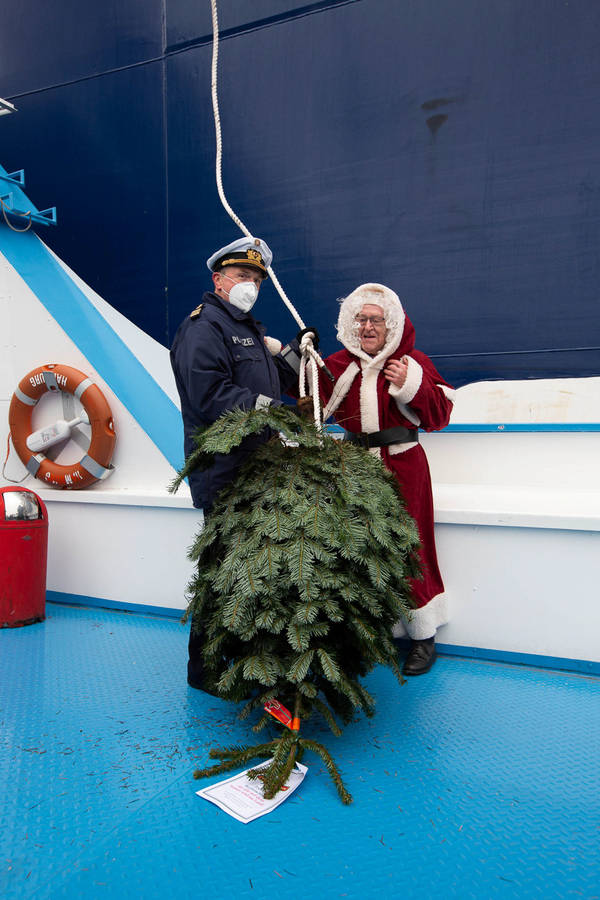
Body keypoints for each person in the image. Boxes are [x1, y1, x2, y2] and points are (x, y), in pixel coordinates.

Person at [170, 235, 311, 690]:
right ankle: (204, 670)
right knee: (221, 567)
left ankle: (243, 659)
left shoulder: (248, 329)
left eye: (256, 278)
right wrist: (274, 411)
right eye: (242, 276)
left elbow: (268, 380)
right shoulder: (203, 328)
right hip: (225, 470)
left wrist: (295, 351)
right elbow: (210, 395)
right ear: (219, 279)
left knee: (250, 567)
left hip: (256, 467)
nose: (250, 284)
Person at [317, 283, 455, 675]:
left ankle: (422, 638)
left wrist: (411, 385)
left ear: (391, 324)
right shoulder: (338, 365)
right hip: (355, 467)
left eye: (376, 320)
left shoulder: (413, 361)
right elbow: (310, 406)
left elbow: (439, 416)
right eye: (360, 319)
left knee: (411, 546)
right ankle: (366, 634)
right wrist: (295, 358)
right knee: (356, 549)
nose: (367, 326)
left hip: (404, 467)